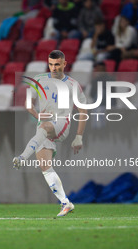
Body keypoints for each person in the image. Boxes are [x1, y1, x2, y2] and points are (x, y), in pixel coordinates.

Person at [13, 50, 87, 217]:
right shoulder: (38, 80)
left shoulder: (73, 84)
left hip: (62, 123)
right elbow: (29, 104)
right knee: (45, 167)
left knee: (45, 127)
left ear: (64, 64)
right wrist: (36, 114)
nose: (54, 68)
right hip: (43, 126)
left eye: (57, 65)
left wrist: (79, 136)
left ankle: (22, 157)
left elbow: (83, 110)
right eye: (51, 64)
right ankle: (66, 203)